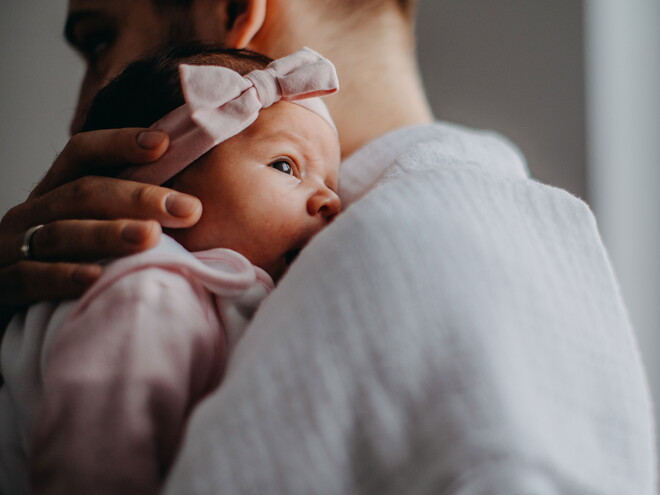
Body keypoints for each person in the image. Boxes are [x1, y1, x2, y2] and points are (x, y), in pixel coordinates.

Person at [0, 0, 655, 493]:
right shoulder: (506, 243)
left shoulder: (419, 262)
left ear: (228, 10)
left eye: (99, 40)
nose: (78, 113)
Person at [0, 45, 340, 494]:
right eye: (286, 166)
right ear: (163, 189)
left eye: (330, 183)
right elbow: (96, 462)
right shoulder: (148, 291)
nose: (331, 201)